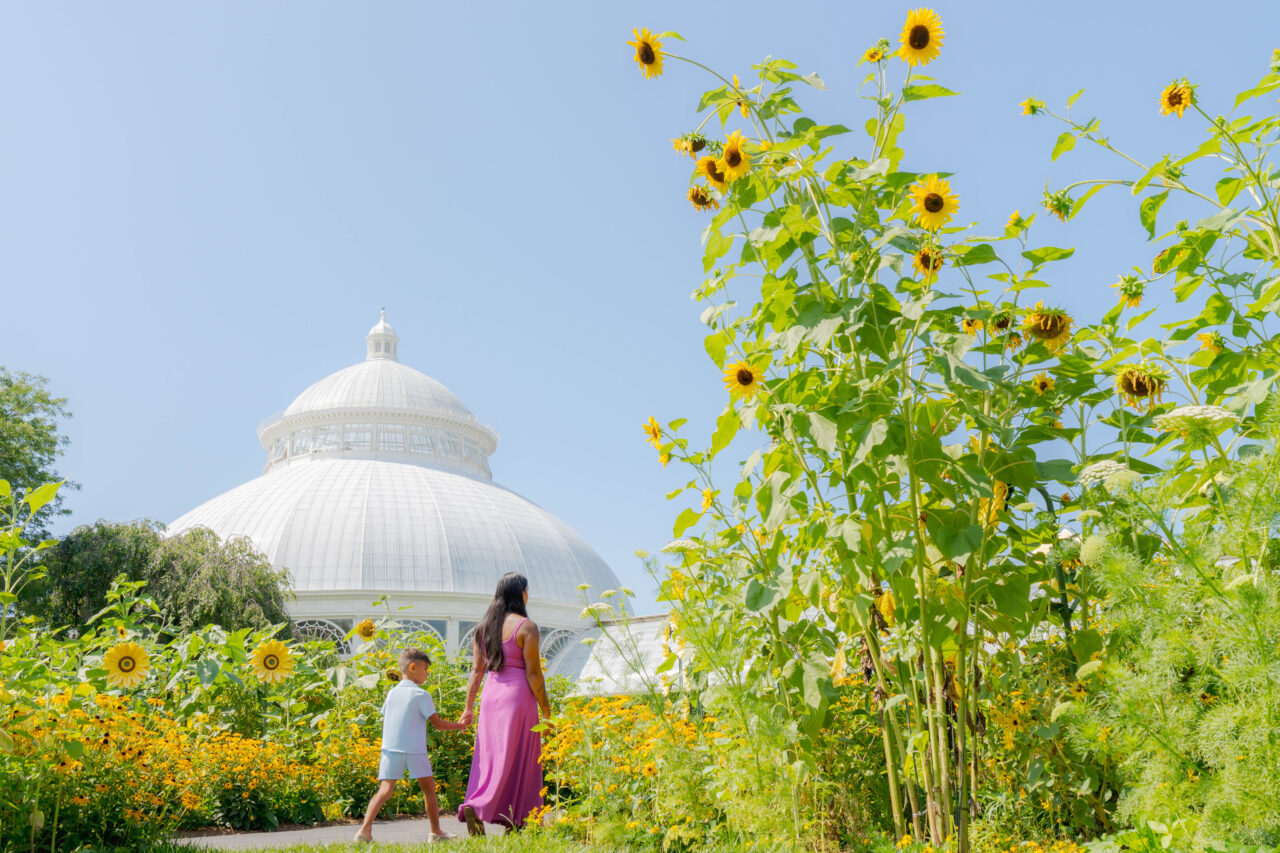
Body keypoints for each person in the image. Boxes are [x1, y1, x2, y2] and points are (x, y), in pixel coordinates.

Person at [457, 572, 552, 835]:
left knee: (490, 757)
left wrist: (468, 708)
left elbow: (476, 672)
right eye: (527, 589)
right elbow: (533, 673)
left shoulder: (482, 628)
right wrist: (546, 712)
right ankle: (519, 819)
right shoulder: (526, 627)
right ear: (521, 593)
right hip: (518, 697)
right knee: (521, 757)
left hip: (491, 695)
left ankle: (476, 804)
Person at [354, 647, 467, 844]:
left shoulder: (391, 694)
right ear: (413, 667)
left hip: (390, 749)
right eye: (425, 669)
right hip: (415, 750)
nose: (427, 673)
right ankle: (436, 832)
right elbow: (438, 724)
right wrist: (460, 726)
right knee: (429, 791)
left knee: (384, 791)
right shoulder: (422, 695)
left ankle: (364, 832)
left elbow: (388, 717)